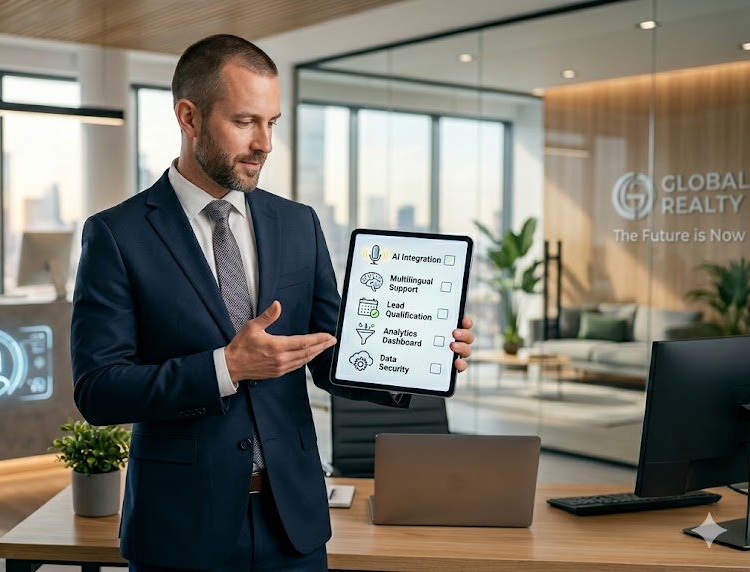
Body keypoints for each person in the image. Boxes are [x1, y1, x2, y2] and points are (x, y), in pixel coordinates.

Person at [70, 34, 475, 571]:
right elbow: (98, 390)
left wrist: (416, 358)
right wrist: (226, 367)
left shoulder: (298, 223)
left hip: (293, 524)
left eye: (272, 122)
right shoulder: (117, 235)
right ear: (189, 118)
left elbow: (331, 355)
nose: (264, 143)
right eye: (244, 122)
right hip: (179, 528)